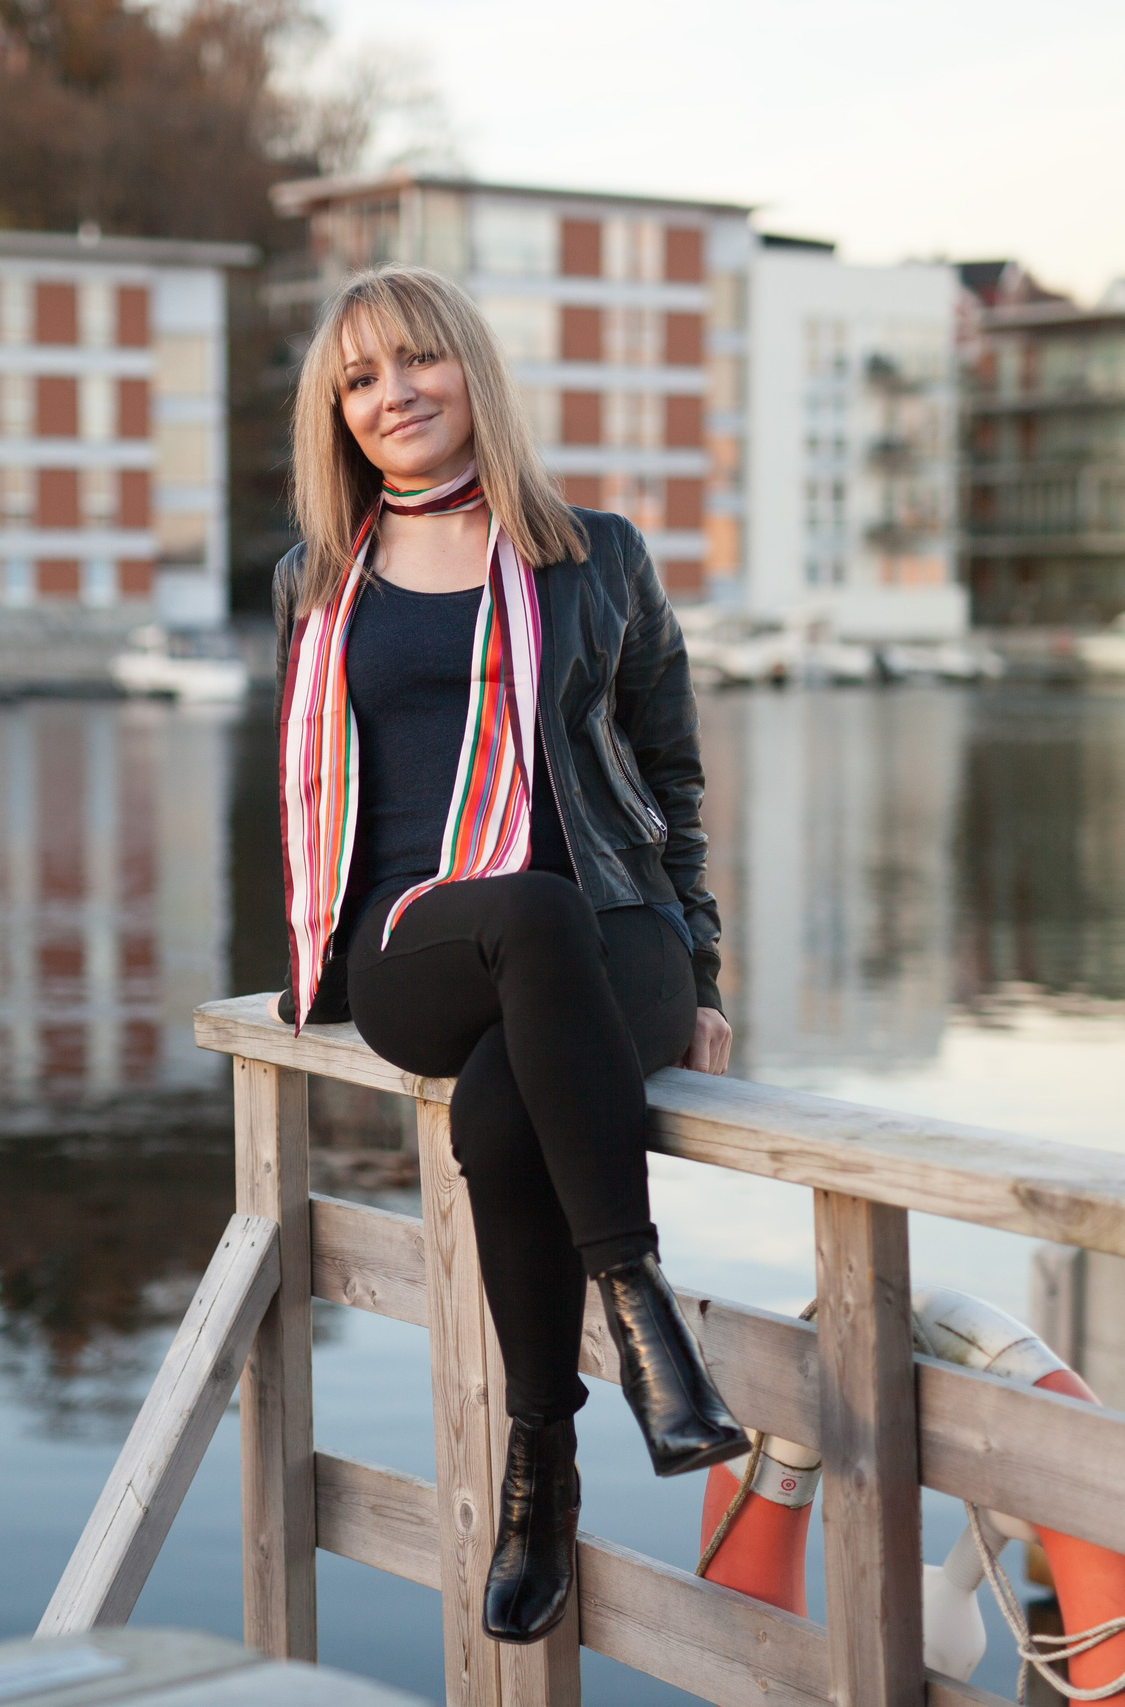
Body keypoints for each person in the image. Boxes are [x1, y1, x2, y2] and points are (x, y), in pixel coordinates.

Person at [270, 265, 746, 1645]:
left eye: (417, 362)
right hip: (425, 943)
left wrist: (703, 976)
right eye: (359, 379)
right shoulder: (316, 578)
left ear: (472, 371)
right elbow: (311, 794)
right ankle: (643, 1308)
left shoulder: (594, 552)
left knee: (501, 1098)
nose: (392, 395)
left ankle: (542, 1469)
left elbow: (671, 775)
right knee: (515, 913)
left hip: (615, 930)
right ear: (337, 412)